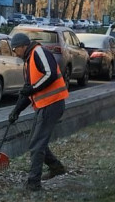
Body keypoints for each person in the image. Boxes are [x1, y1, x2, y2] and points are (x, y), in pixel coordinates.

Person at [8, 33, 69, 191]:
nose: (15, 53)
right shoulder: (29, 60)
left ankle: (33, 183)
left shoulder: (38, 52)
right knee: (35, 143)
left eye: (15, 50)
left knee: (37, 145)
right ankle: (56, 167)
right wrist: (16, 111)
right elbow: (29, 91)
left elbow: (50, 74)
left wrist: (33, 88)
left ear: (23, 46)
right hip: (45, 105)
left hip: (52, 103)